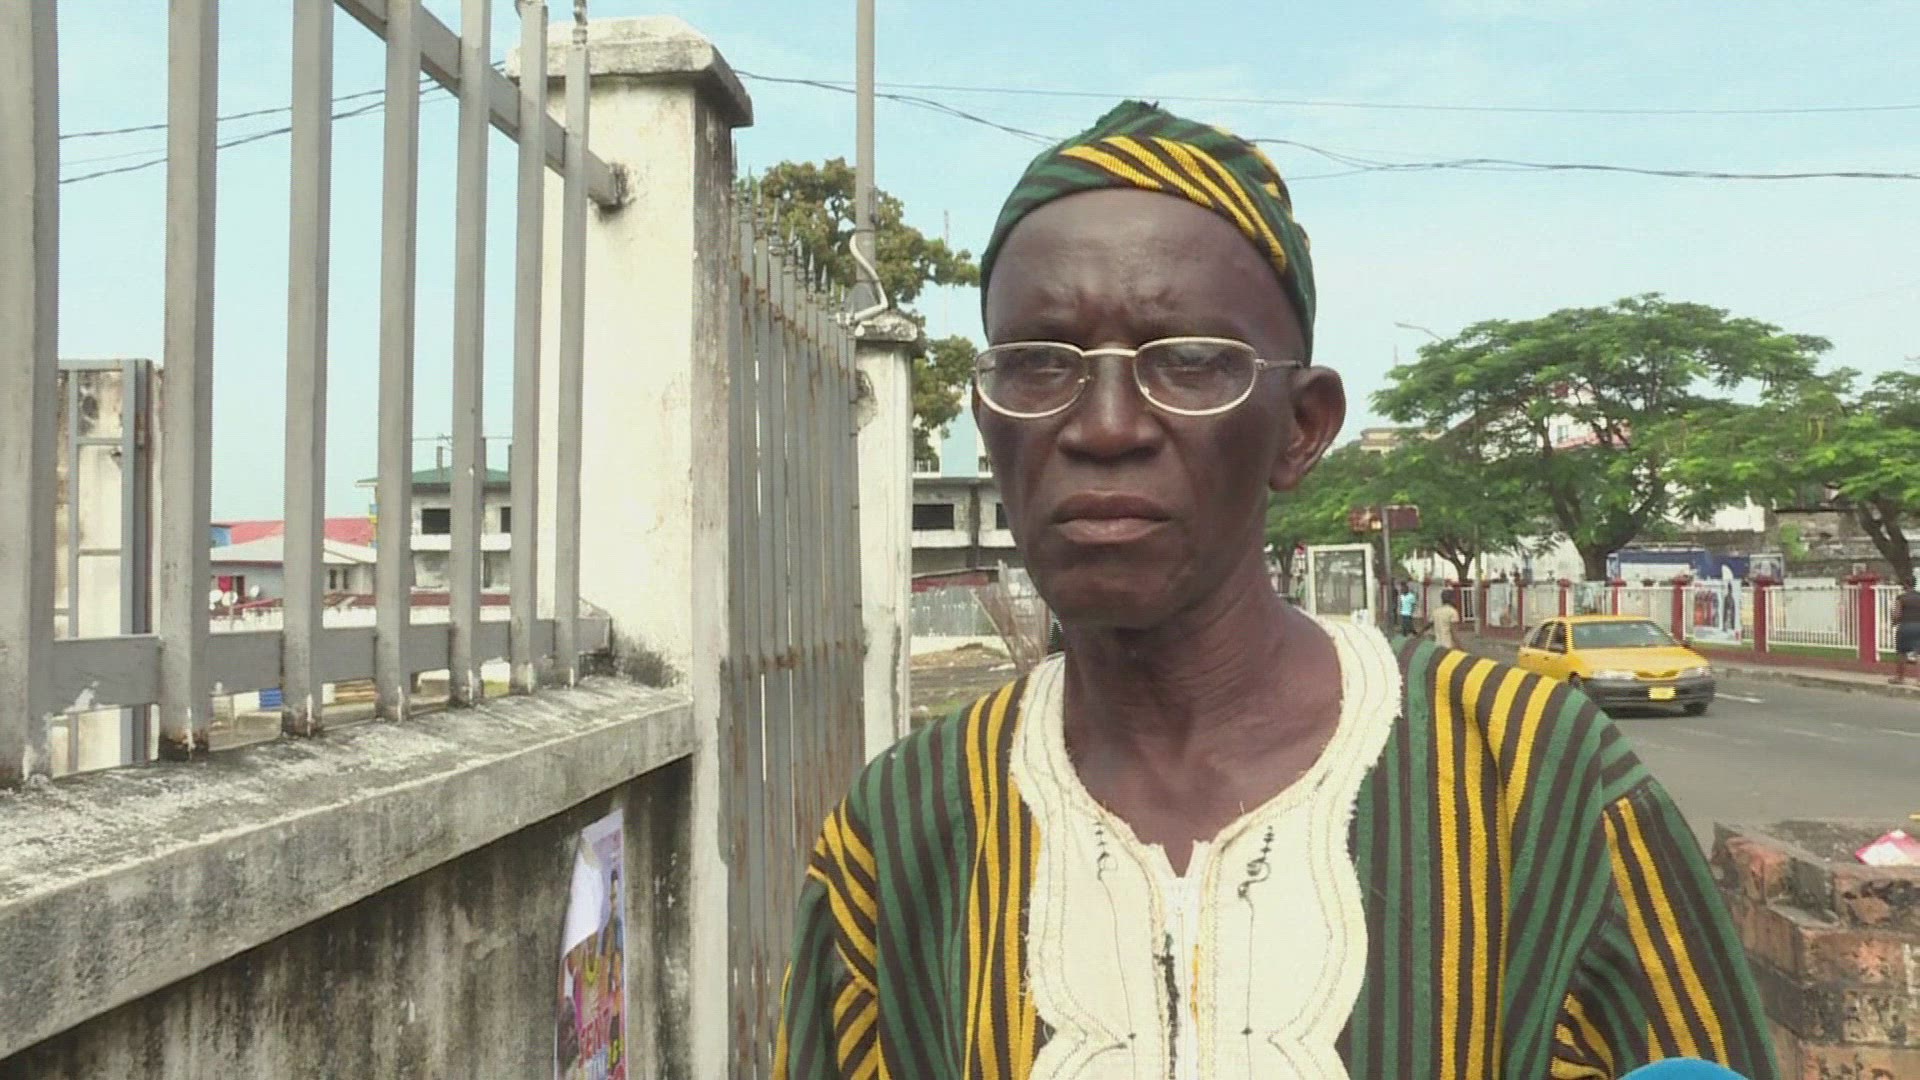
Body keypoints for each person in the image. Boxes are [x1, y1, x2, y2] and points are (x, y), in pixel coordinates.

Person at [774, 101, 1775, 1080]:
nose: (1106, 425)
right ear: (988, 419)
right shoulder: (901, 833)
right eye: (1039, 364)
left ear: (1301, 428)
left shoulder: (1539, 786)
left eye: (1188, 363)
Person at [1893, 580, 1920, 685]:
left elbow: (1897, 614)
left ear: (1906, 585)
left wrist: (1894, 622)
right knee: (1919, 654)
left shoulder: (1901, 598)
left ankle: (1900, 678)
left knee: (1902, 652)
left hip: (1906, 626)